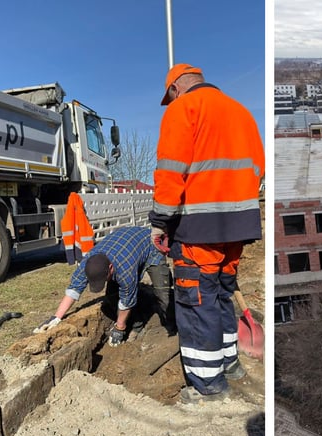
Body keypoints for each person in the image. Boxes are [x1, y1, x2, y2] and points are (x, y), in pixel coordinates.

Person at [150, 63, 264, 404]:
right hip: (237, 228)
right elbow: (256, 167)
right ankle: (230, 364)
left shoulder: (183, 109)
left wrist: (160, 222)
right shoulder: (241, 111)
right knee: (221, 295)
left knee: (196, 302)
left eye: (168, 98)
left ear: (174, 89)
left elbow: (171, 171)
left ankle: (207, 386)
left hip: (198, 229)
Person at [35, 226, 173, 346]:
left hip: (148, 245)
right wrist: (56, 317)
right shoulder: (88, 263)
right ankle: (137, 323)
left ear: (111, 268)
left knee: (162, 294)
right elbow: (73, 289)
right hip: (124, 248)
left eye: (104, 279)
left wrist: (119, 328)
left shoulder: (125, 271)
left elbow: (126, 301)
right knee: (112, 297)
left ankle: (167, 328)